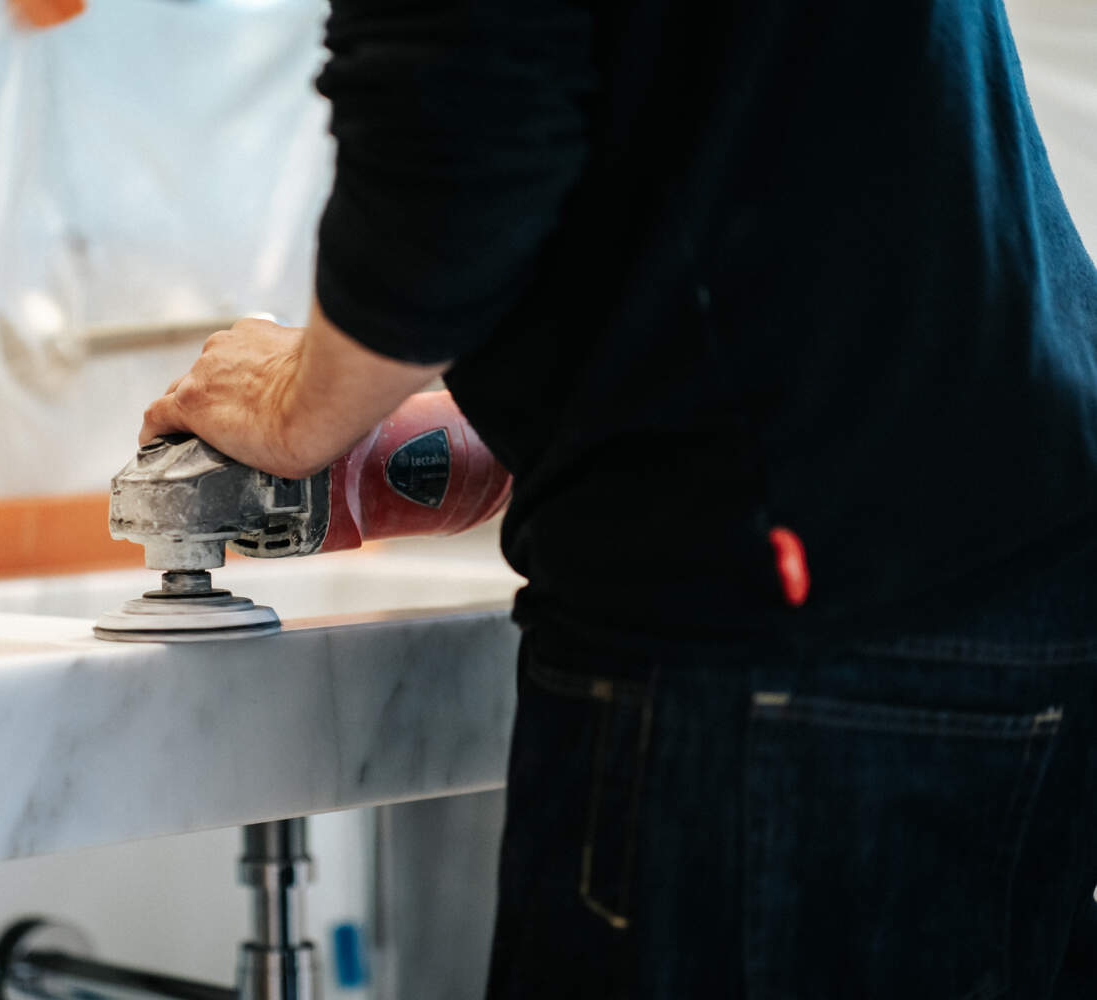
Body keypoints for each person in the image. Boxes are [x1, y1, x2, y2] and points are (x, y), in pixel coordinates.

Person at [140, 1, 1097, 996]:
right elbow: (770, 153)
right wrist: (537, 424)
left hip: (786, 623)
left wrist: (292, 405)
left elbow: (455, 152)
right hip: (1033, 566)